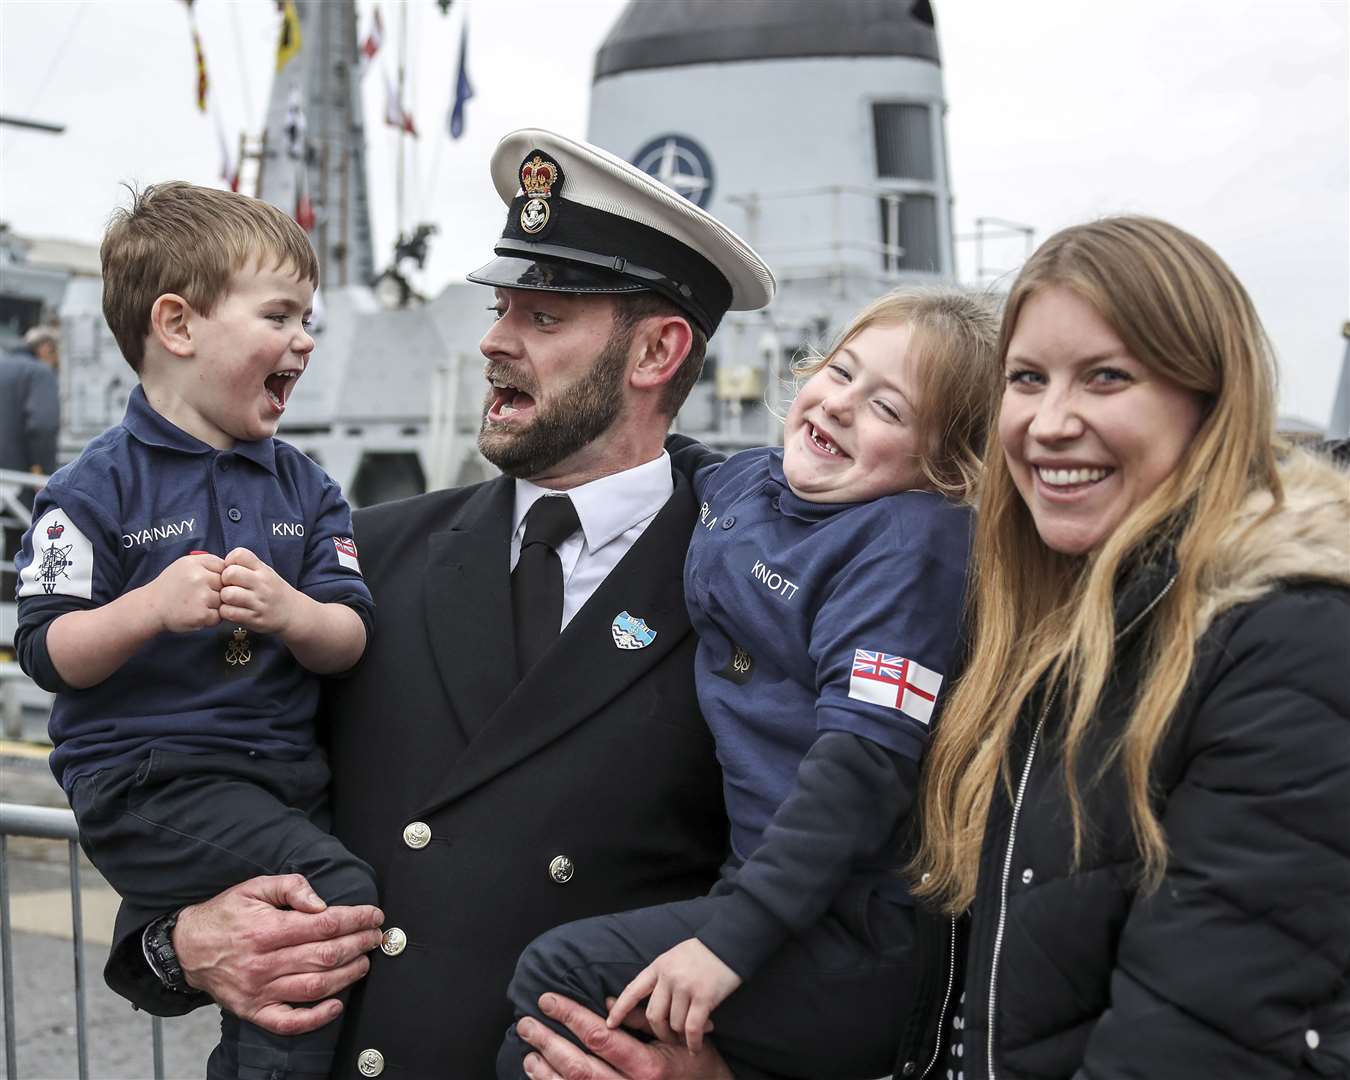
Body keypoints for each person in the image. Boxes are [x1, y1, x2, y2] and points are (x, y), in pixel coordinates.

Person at [520, 215, 1350, 1080]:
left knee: (557, 991)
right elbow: (992, 998)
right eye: (1028, 379)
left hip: (841, 950)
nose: (1053, 421)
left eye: (1106, 379)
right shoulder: (1055, 630)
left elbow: (1201, 1038)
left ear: (1213, 402)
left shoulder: (1283, 646)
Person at [100, 128, 776, 1078]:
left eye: (543, 319)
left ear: (657, 350)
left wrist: (722, 1073)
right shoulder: (358, 561)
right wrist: (184, 942)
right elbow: (199, 781)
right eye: (503, 309)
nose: (494, 341)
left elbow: (815, 891)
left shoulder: (754, 591)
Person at [498, 288, 1000, 1079]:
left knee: (563, 982)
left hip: (853, 940)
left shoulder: (909, 550)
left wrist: (730, 939)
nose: (839, 406)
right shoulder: (750, 488)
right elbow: (684, 469)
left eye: (887, 409)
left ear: (943, 465)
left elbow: (862, 768)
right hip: (768, 903)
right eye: (840, 372)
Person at [13, 182, 379, 1080]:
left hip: (277, 780)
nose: (305, 339)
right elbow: (46, 653)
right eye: (280, 315)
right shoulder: (89, 493)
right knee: (330, 897)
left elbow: (349, 634)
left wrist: (293, 613)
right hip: (152, 783)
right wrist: (150, 608)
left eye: (309, 317)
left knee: (306, 915)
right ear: (177, 326)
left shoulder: (307, 488)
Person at [1, 326, 61, 600]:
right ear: (46, 349)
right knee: (19, 541)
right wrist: (42, 472)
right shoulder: (39, 372)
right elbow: (42, 424)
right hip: (17, 478)